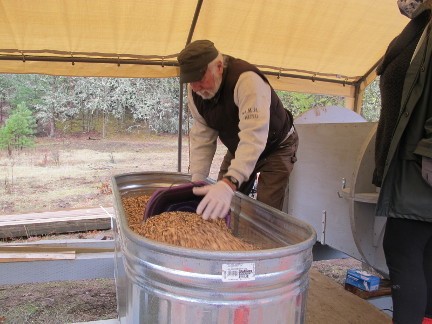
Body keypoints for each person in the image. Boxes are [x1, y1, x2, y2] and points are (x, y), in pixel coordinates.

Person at [177, 40, 298, 220]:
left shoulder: (247, 81)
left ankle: (260, 246)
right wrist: (197, 179)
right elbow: (203, 138)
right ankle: (226, 243)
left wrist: (230, 183)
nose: (195, 87)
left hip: (277, 147)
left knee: (265, 211)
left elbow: (253, 137)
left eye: (199, 79)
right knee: (218, 203)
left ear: (218, 67)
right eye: (190, 81)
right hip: (240, 145)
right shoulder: (196, 92)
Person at [373, 1, 432, 323]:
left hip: (420, 163)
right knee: (423, 255)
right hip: (409, 159)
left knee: (402, 250)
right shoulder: (420, 27)